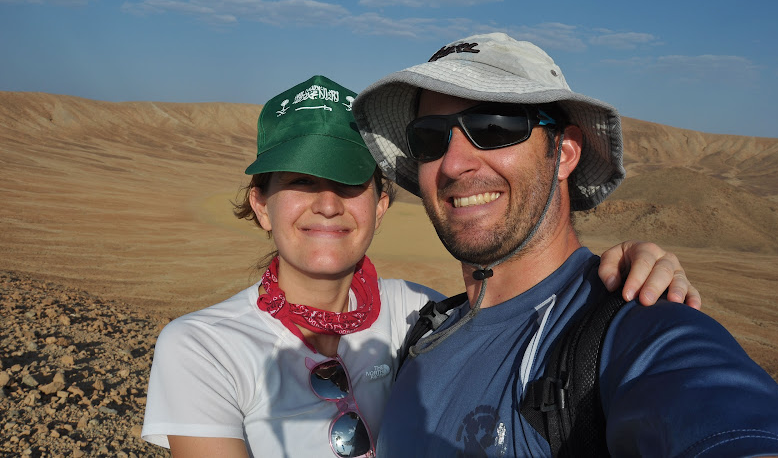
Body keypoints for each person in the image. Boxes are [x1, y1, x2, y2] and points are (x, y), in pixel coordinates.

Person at [141, 75, 701, 458]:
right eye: (300, 182)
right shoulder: (203, 348)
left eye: (349, 183)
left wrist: (613, 274)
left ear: (381, 203)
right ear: (262, 205)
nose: (327, 204)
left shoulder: (421, 316)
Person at [351, 33, 778, 457]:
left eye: (492, 127)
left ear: (564, 153)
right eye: (430, 138)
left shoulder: (634, 329)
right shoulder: (424, 336)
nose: (453, 163)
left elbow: (725, 418)